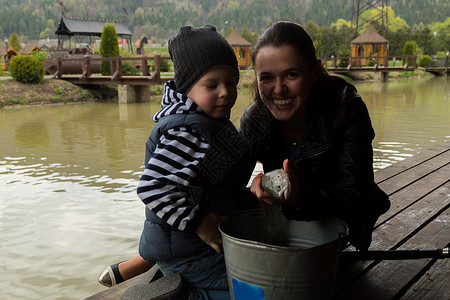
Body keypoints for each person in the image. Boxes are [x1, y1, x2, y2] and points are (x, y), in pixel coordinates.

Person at [99, 24, 256, 299]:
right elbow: (154, 187)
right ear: (187, 87)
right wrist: (199, 223)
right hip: (189, 250)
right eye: (212, 84)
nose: (225, 92)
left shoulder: (206, 120)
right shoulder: (187, 131)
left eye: (231, 82)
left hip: (194, 245)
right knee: (249, 287)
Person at [241, 20, 390, 251]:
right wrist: (259, 191)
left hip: (343, 226)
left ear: (314, 72)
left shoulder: (345, 109)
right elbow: (231, 185)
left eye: (291, 75)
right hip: (286, 229)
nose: (278, 89)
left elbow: (358, 198)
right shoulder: (253, 120)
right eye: (267, 78)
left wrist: (300, 199)